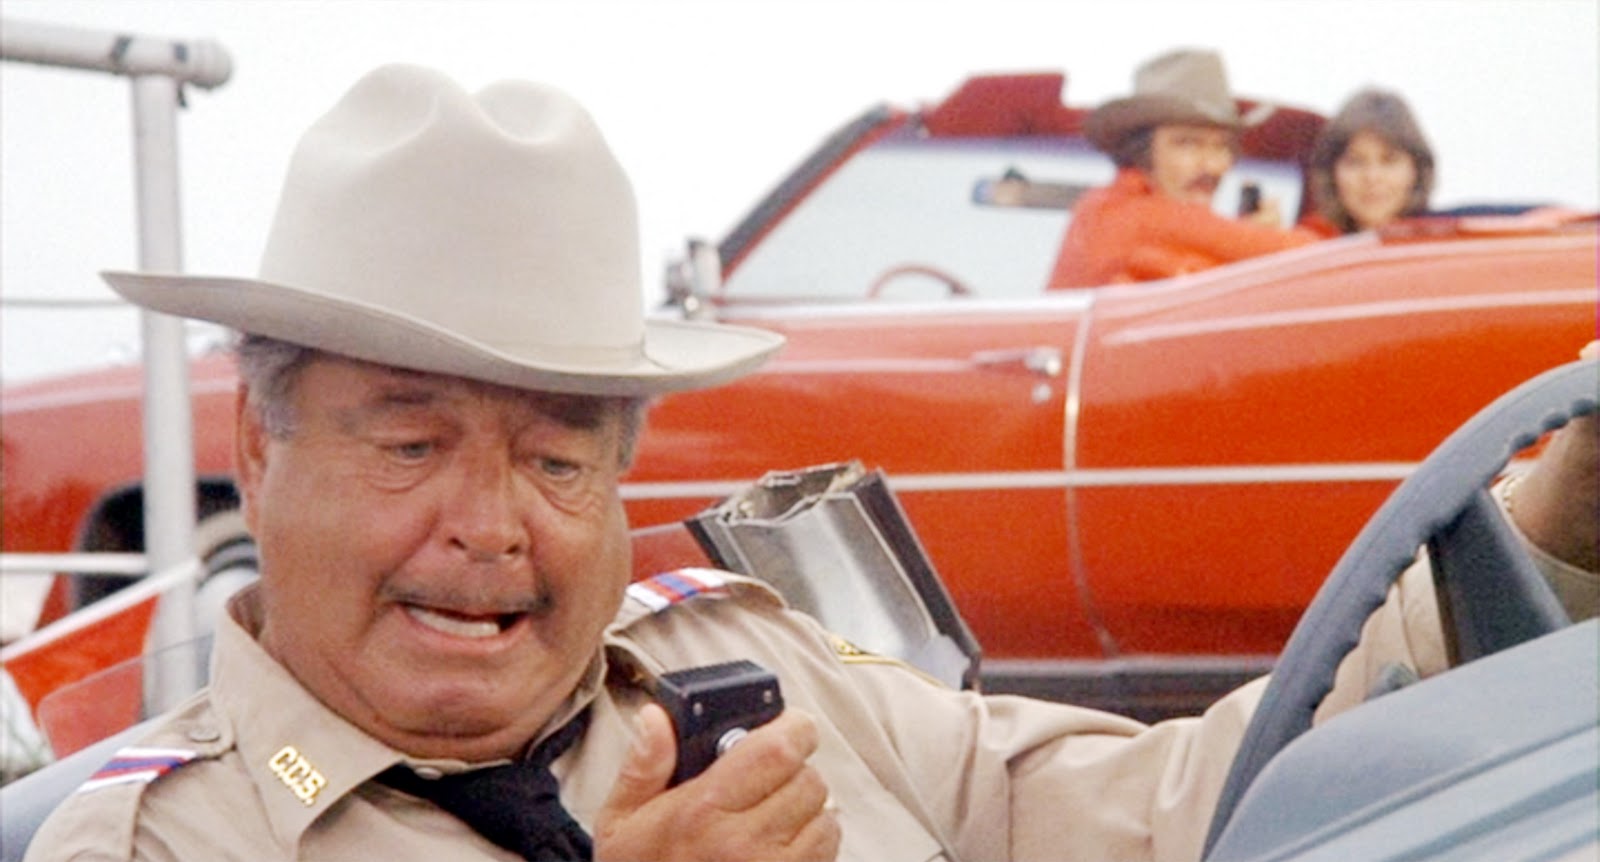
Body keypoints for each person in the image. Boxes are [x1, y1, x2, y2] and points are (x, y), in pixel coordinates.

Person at [21, 64, 1590, 862]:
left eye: (560, 457)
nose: (489, 526)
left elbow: (1184, 805)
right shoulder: (153, 839)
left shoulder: (755, 666)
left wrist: (1541, 535)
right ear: (258, 448)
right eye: (412, 441)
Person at [1046, 48, 1317, 289]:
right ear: (1141, 150)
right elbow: (1312, 254)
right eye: (1188, 144)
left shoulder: (1141, 219)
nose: (1211, 166)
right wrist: (1264, 237)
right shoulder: (1121, 213)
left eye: (1221, 147)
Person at [1302, 88, 1436, 236]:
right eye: (1355, 162)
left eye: (1389, 161)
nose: (1372, 177)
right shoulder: (1307, 244)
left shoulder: (1442, 243)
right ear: (1330, 171)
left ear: (1417, 169)